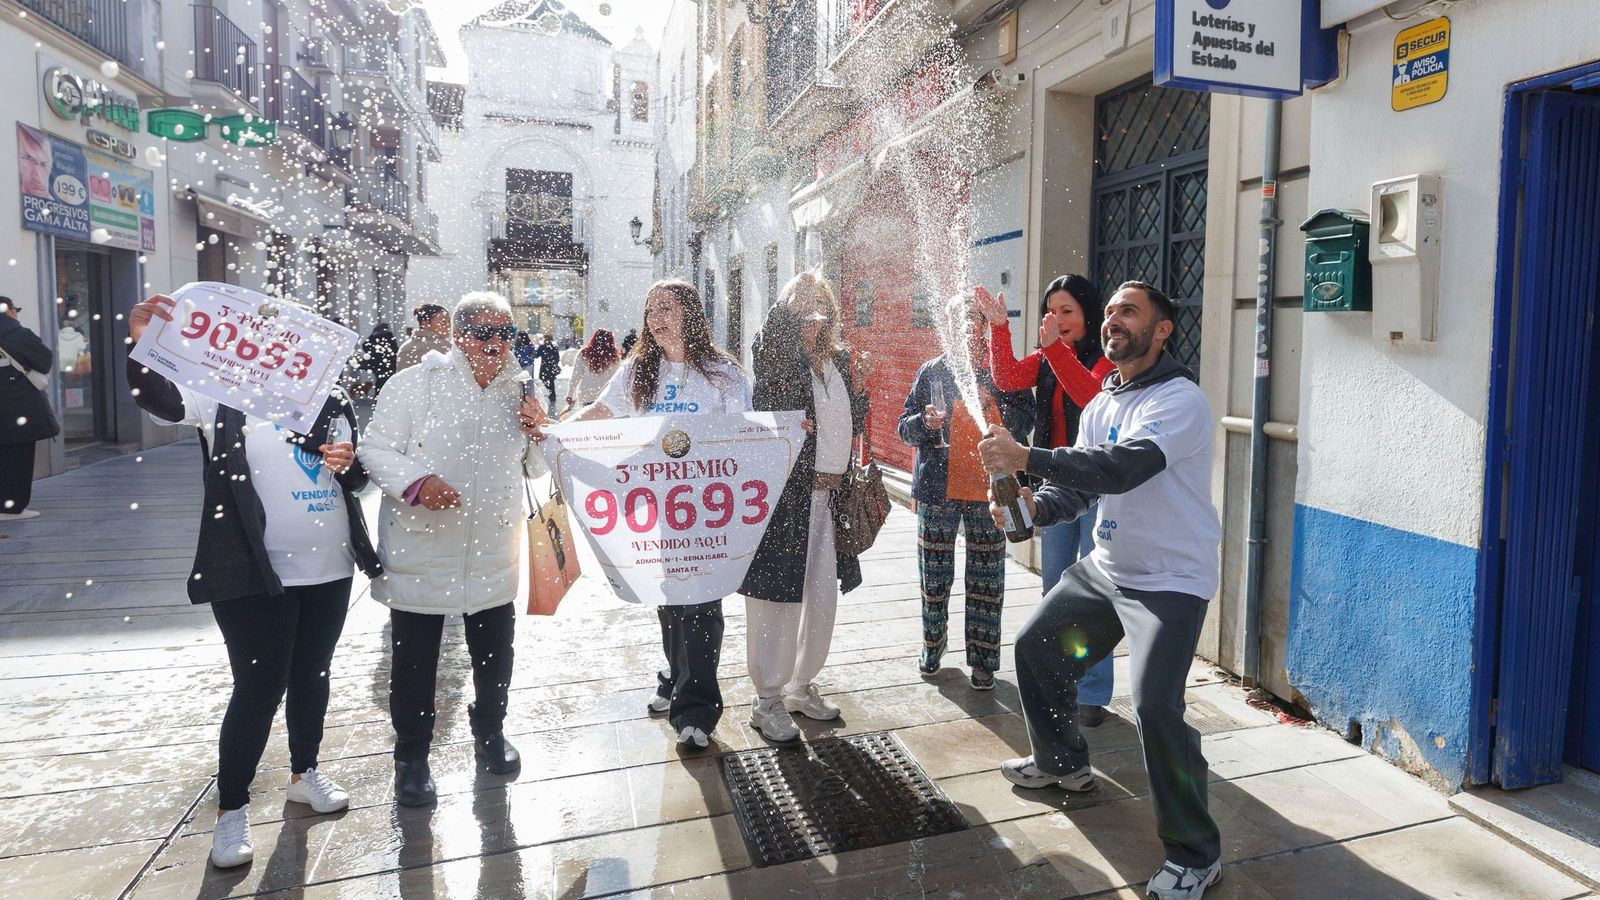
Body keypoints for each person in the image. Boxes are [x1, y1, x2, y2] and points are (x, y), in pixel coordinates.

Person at [978, 281, 1223, 900]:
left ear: (1161, 329)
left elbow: (1122, 467)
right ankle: (1063, 764)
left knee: (1155, 707)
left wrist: (1027, 457)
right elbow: (1085, 489)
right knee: (1038, 648)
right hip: (1109, 568)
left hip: (1169, 581)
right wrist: (1036, 507)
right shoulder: (1102, 403)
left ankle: (1197, 854)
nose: (1114, 320)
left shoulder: (1180, 400)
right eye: (1110, 312)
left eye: (1128, 312)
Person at [125, 293, 380, 869]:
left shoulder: (331, 399)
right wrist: (142, 345)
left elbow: (354, 478)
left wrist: (351, 465)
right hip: (251, 569)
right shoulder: (220, 393)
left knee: (313, 675)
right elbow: (161, 402)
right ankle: (232, 809)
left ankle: (304, 771)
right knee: (259, 687)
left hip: (330, 566)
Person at [538, 279, 750, 750]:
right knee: (670, 602)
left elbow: (744, 435)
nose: (656, 317)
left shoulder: (723, 374)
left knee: (700, 603)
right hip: (654, 508)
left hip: (707, 512)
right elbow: (601, 412)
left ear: (689, 314)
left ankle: (696, 711)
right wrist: (557, 432)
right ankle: (676, 677)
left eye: (667, 308)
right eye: (650, 308)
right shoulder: (637, 371)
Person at [359, 292, 545, 806]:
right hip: (423, 546)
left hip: (492, 546)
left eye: (505, 334)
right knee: (415, 661)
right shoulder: (414, 384)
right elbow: (372, 449)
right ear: (459, 336)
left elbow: (535, 468)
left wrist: (539, 433)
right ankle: (412, 757)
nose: (495, 345)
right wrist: (417, 482)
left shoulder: (519, 388)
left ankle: (489, 731)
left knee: (495, 655)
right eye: (483, 334)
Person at [977, 277, 1118, 726]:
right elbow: (1007, 378)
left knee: (1094, 595)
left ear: (1087, 316)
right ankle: (1059, 680)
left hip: (1096, 490)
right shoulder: (1046, 357)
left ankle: (1093, 693)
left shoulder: (1106, 363)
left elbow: (1091, 399)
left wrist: (1055, 352)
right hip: (1054, 489)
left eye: (1068, 311)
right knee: (1055, 589)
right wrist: (1000, 327)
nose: (1058, 320)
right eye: (1051, 311)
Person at [739, 273, 868, 742]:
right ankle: (766, 700)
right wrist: (786, 309)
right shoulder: (777, 353)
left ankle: (799, 685)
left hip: (829, 498)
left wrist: (863, 391)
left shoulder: (836, 361)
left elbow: (849, 418)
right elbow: (769, 380)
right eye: (801, 304)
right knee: (776, 600)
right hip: (786, 500)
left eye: (820, 303)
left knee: (819, 600)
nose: (813, 312)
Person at [898, 292, 1033, 690]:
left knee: (987, 580)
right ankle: (932, 647)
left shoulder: (1004, 372)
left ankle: (984, 661)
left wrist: (996, 411)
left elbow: (1026, 419)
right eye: (961, 320)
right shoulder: (932, 372)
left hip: (993, 493)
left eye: (976, 318)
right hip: (939, 492)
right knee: (934, 579)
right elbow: (904, 427)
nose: (969, 327)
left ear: (987, 324)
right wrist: (924, 423)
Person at [0, 298, 57, 520]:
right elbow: (44, 361)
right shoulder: (18, 334)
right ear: (10, 311)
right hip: (19, 407)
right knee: (19, 458)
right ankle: (12, 507)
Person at [563, 328, 622, 415]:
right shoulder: (614, 357)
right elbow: (618, 378)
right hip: (606, 397)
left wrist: (570, 394)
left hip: (587, 395)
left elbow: (575, 376)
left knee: (588, 424)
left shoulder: (583, 354)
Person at [396, 304, 451, 372]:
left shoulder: (404, 347)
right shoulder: (445, 347)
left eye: (449, 321)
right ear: (424, 323)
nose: (448, 326)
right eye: (443, 322)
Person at [359, 323, 399, 392]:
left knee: (380, 381)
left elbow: (365, 345)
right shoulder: (389, 335)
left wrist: (373, 353)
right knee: (388, 381)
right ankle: (386, 396)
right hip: (389, 364)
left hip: (377, 364)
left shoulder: (374, 336)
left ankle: (378, 397)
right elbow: (395, 349)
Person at [537, 331, 561, 407]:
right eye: (545, 339)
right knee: (543, 378)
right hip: (544, 366)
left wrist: (555, 364)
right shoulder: (542, 347)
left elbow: (557, 357)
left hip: (551, 367)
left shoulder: (554, 347)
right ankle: (551, 391)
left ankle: (552, 395)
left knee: (551, 380)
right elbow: (536, 355)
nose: (545, 340)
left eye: (547, 339)